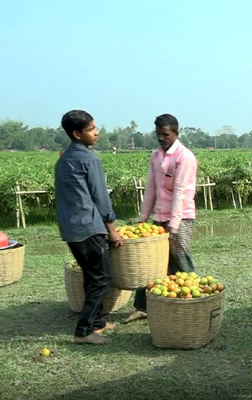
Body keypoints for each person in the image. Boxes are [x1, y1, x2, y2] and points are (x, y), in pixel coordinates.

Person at [55, 110, 122, 345]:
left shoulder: (64, 159)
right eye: (91, 128)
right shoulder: (88, 159)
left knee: (92, 276)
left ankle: (97, 323)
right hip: (88, 227)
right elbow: (100, 197)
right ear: (76, 134)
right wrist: (112, 228)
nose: (97, 132)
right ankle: (83, 331)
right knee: (102, 278)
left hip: (70, 228)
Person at [124, 114, 198, 323]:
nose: (161, 138)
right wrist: (143, 218)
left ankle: (194, 301)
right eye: (158, 134)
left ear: (176, 133)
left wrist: (173, 225)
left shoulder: (184, 157)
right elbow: (151, 188)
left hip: (181, 217)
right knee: (150, 263)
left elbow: (181, 193)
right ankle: (142, 307)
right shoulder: (156, 156)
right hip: (160, 216)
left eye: (165, 134)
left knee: (180, 258)